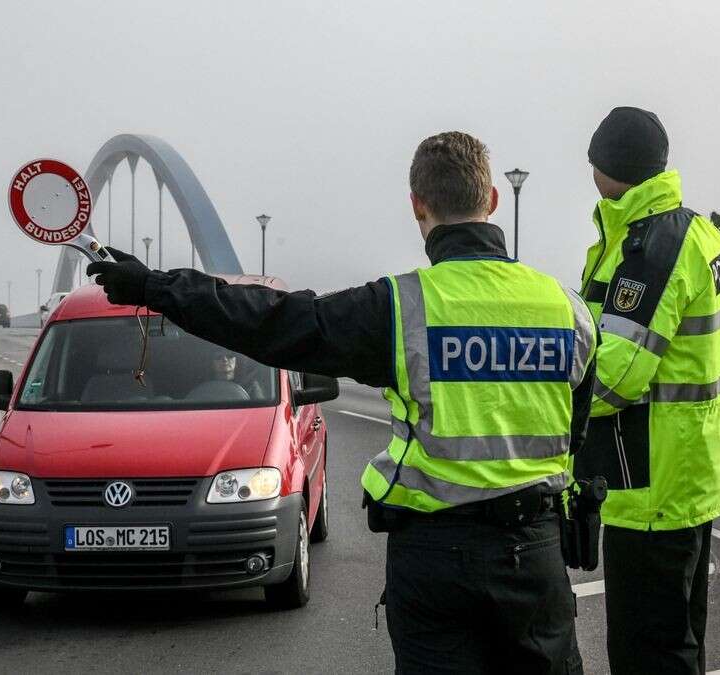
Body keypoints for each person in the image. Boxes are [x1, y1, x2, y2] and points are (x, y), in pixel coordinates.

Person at [89, 131, 597, 674]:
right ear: (493, 200)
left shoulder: (402, 308)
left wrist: (154, 287)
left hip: (438, 557)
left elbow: (272, 321)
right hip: (537, 553)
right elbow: (577, 432)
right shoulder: (567, 308)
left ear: (417, 205)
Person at [573, 107, 720, 674]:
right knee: (679, 640)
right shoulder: (700, 233)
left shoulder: (650, 250)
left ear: (605, 168)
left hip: (651, 486)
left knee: (649, 653)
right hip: (691, 474)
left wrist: (544, 400)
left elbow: (615, 376)